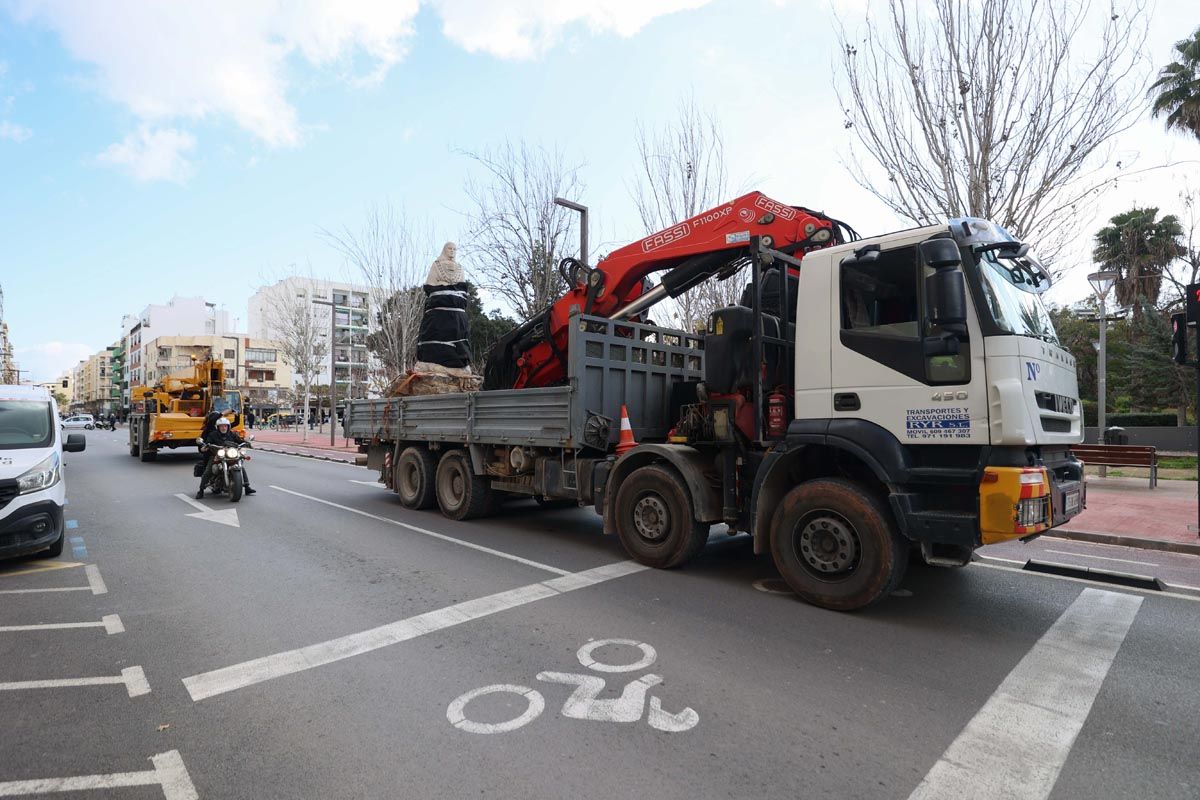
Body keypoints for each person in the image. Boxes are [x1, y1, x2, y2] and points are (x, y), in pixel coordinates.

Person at [196, 416, 256, 498]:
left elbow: (239, 441)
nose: (223, 428)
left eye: (225, 426)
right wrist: (206, 446)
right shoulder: (213, 435)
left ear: (228, 427)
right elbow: (208, 443)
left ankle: (247, 487)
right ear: (218, 427)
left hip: (230, 455)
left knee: (241, 466)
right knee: (208, 470)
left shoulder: (232, 434)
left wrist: (247, 443)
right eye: (221, 426)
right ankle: (201, 490)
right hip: (217, 455)